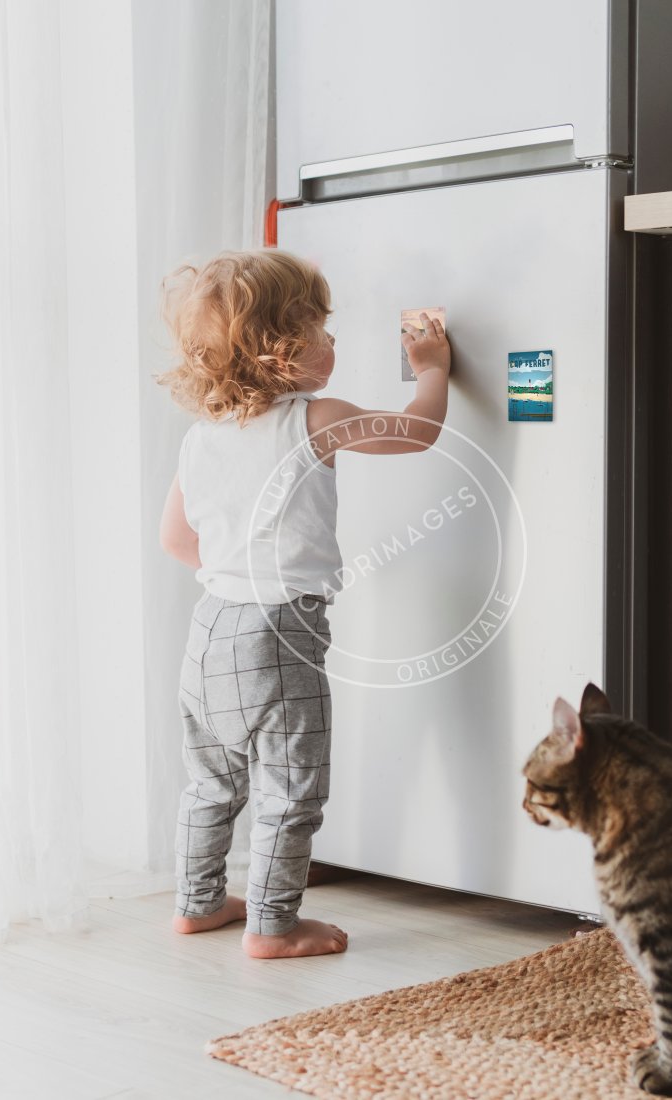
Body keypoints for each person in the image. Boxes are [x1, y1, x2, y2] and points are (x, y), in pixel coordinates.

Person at [157, 249, 451, 959]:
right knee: (290, 791)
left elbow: (175, 540)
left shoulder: (201, 439)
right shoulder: (317, 417)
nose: (334, 344)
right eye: (322, 330)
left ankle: (197, 905)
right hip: (279, 633)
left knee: (211, 785)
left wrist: (240, 572)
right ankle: (274, 927)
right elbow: (419, 432)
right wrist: (434, 367)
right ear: (282, 351)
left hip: (209, 632)